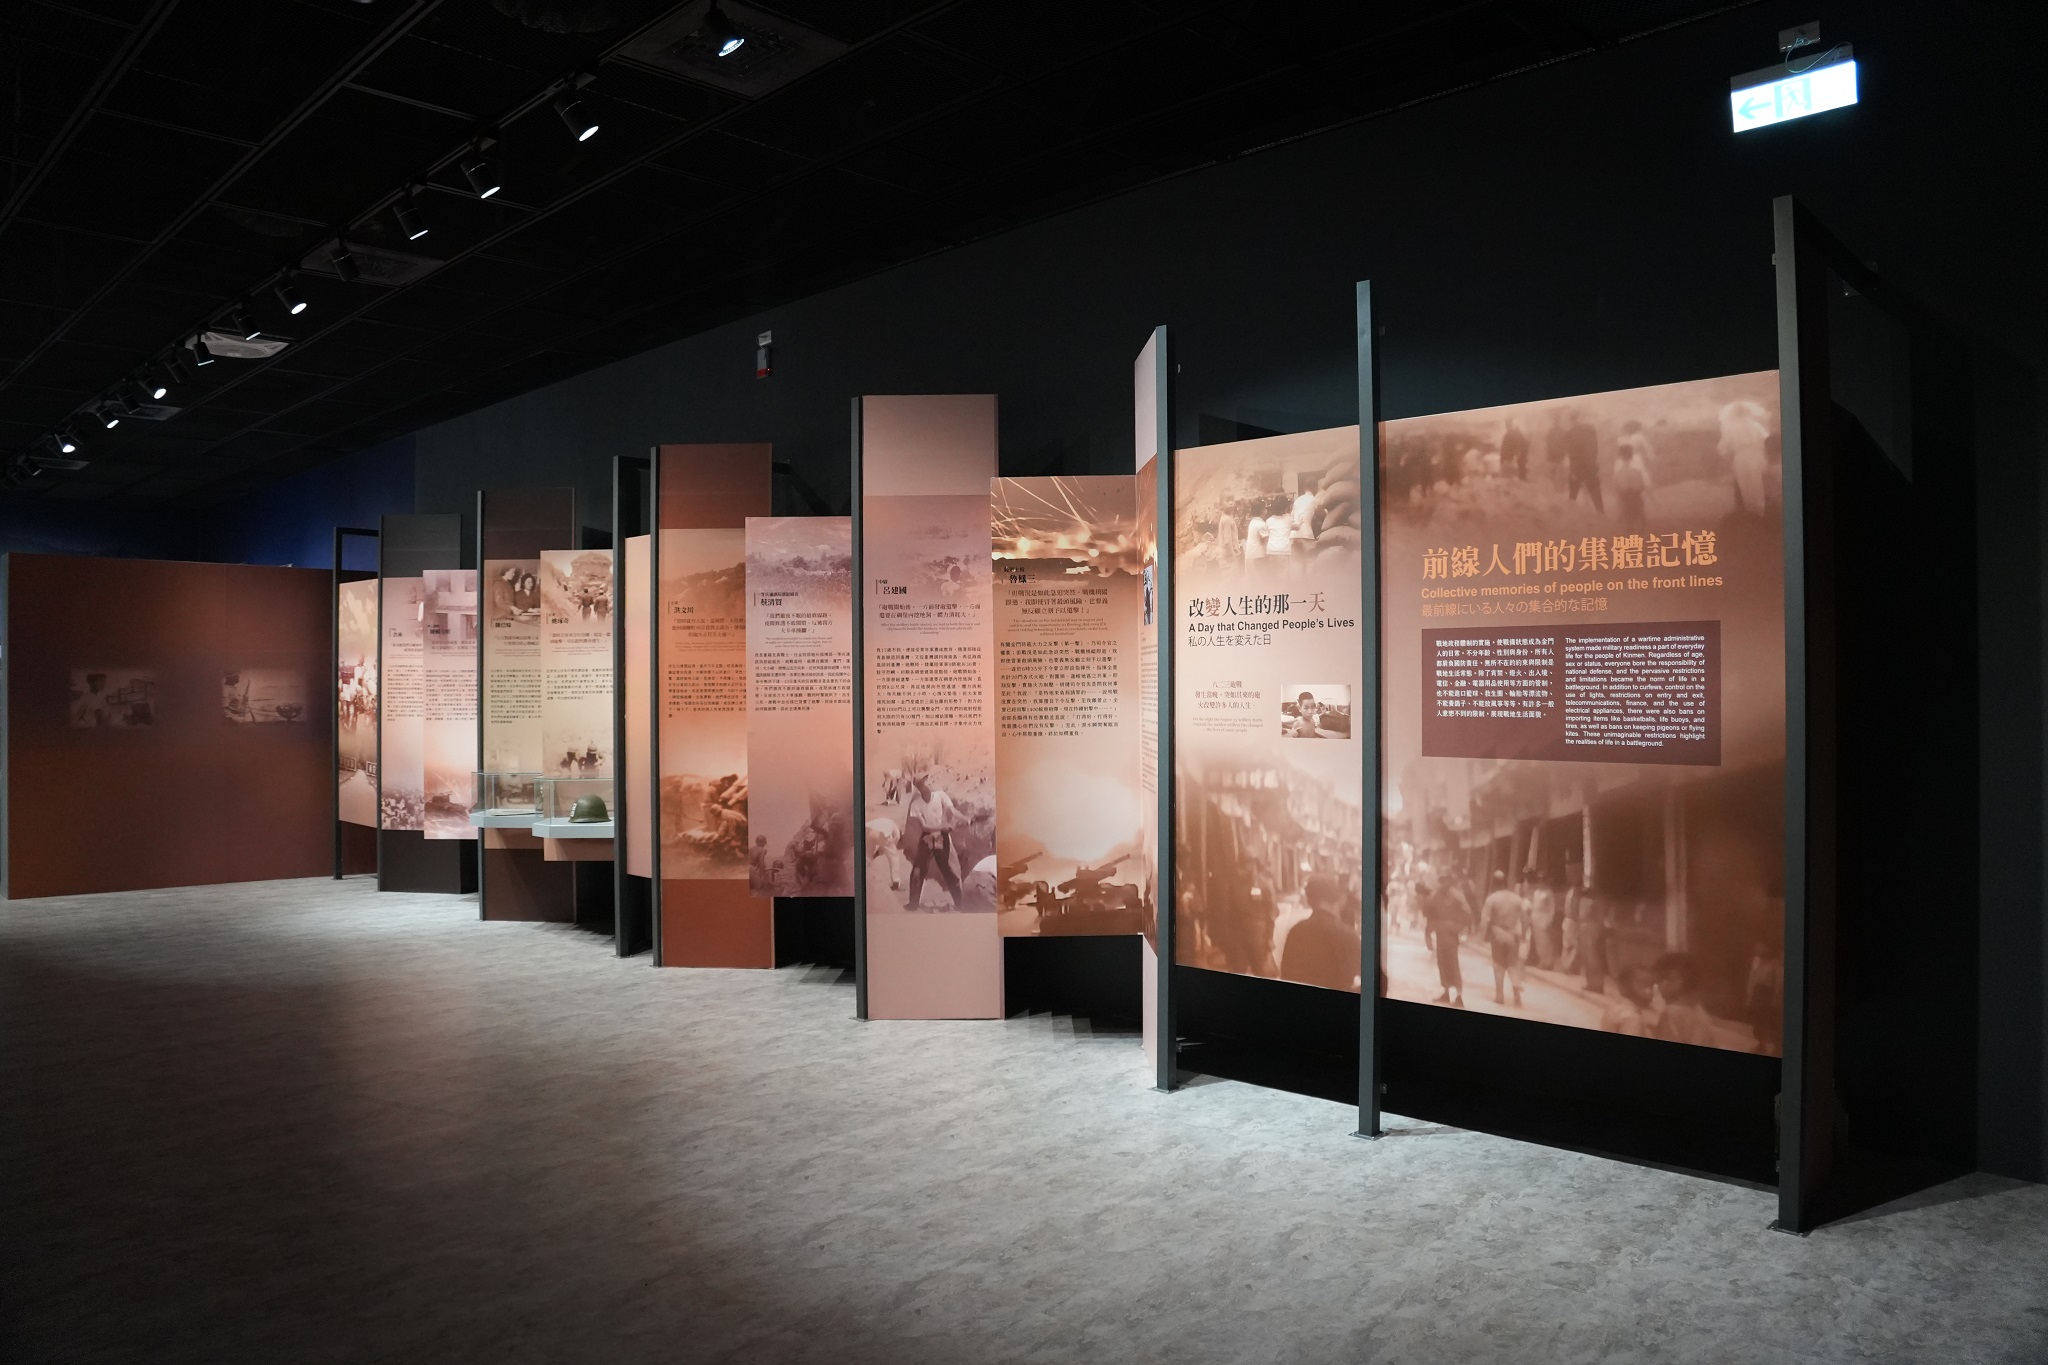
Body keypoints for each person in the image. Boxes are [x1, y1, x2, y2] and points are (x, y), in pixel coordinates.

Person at [1278, 874, 1359, 992]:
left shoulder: (1296, 932)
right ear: (1339, 899)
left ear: (1309, 900)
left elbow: (1286, 973)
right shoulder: (1349, 936)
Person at [903, 771, 963, 911]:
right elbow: (924, 826)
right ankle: (913, 904)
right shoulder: (916, 804)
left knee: (952, 871)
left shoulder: (941, 795)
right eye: (923, 782)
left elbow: (952, 810)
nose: (927, 784)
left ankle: (960, 904)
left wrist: (965, 818)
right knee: (918, 871)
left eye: (927, 780)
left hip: (943, 838)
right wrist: (942, 827)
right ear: (919, 787)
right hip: (927, 838)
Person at [1417, 866, 1469, 1007]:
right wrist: (1428, 933)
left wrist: (1457, 929)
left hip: (1451, 935)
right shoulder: (1435, 895)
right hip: (1440, 934)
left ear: (1450, 881)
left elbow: (1467, 914)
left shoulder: (1457, 896)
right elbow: (1429, 913)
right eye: (1441, 880)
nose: (1443, 883)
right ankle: (1446, 992)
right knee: (1442, 963)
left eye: (1446, 880)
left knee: (1453, 964)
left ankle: (1458, 995)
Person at [1479, 870, 1529, 1007]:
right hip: (1513, 934)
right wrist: (1523, 935)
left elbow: (1485, 919)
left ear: (1494, 883)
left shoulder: (1492, 899)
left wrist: (1482, 936)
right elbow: (1525, 919)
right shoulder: (1516, 899)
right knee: (1513, 965)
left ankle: (1499, 995)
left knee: (1498, 964)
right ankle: (1516, 994)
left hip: (1498, 933)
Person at [1613, 421, 1651, 534]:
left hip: (1625, 461)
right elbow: (1648, 450)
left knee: (1624, 492)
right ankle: (1640, 516)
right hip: (1635, 460)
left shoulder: (1621, 439)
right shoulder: (1638, 437)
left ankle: (1623, 515)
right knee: (1637, 491)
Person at [1599, 966, 1660, 1036]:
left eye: (1651, 985)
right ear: (1628, 987)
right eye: (1646, 985)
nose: (1653, 990)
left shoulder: (1613, 1009)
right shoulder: (1632, 1017)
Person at [1564, 409, 1604, 512]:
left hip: (1577, 466)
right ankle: (1600, 512)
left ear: (1571, 420)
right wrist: (1594, 462)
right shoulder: (1590, 430)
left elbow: (1571, 453)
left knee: (1573, 492)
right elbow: (1595, 448)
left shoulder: (1570, 433)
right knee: (1595, 491)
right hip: (1590, 465)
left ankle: (1571, 513)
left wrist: (1572, 470)